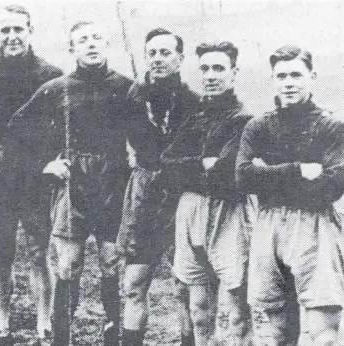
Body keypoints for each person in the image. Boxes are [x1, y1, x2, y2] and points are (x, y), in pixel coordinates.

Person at [8, 22, 132, 346]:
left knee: (110, 263)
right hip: (72, 187)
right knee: (68, 264)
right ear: (72, 49)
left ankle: (113, 332)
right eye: (82, 40)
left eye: (96, 38)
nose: (91, 44)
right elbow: (17, 128)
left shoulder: (126, 86)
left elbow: (147, 136)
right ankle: (63, 338)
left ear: (107, 43)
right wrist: (45, 163)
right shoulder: (57, 88)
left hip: (114, 186)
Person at [236, 45, 344, 346]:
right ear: (273, 80)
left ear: (312, 77)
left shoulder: (330, 127)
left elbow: (333, 184)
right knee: (270, 330)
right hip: (268, 225)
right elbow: (243, 177)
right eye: (281, 75)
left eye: (296, 74)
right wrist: (298, 170)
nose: (289, 82)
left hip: (315, 225)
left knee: (323, 331)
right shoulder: (258, 127)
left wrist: (268, 174)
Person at [0, 5, 62, 345]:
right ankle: (1, 325)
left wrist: (54, 162)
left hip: (36, 175)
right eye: (5, 30)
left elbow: (62, 129)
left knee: (41, 251)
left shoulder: (50, 74)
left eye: (18, 29)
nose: (12, 36)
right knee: (0, 250)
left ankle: (44, 325)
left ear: (30, 30)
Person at [161, 41, 254, 346]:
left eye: (219, 68)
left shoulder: (243, 119)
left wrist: (192, 169)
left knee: (234, 311)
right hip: (190, 212)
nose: (211, 75)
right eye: (205, 68)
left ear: (234, 72)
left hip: (228, 214)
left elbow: (226, 173)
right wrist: (202, 164)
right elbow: (167, 165)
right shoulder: (195, 118)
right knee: (199, 308)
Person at [116, 28, 199, 346]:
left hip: (182, 196)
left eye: (165, 52)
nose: (158, 59)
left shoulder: (194, 103)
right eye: (151, 53)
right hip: (146, 196)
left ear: (180, 57)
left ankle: (189, 340)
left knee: (185, 286)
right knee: (134, 283)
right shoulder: (133, 98)